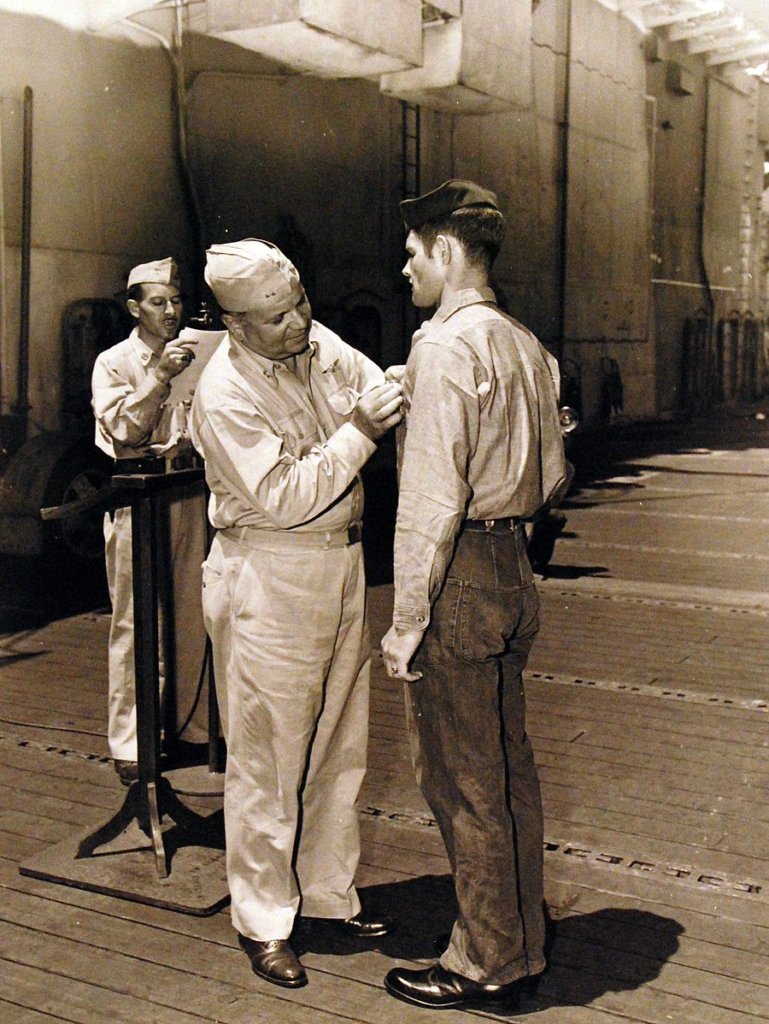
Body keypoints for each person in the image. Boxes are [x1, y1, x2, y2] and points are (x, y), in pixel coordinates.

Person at [189, 238, 402, 990]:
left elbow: (376, 384)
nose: (299, 324)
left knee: (338, 745)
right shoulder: (222, 391)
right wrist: (361, 430)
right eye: (277, 317)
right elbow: (282, 495)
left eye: (302, 302)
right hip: (269, 573)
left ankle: (324, 895)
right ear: (234, 323)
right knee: (268, 761)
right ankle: (264, 919)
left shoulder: (315, 341)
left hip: (340, 562)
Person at [381, 180, 568, 1013]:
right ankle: (517, 934)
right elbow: (556, 472)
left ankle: (486, 963)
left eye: (414, 251)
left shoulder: (443, 346)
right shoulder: (523, 343)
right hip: (512, 569)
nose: (404, 265)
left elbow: (427, 506)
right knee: (507, 775)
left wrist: (404, 625)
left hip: (457, 576)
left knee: (462, 784)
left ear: (447, 252)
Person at [91, 257, 209, 786]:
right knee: (135, 622)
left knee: (191, 612)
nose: (170, 311)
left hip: (185, 494)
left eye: (176, 301)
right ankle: (132, 742)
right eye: (158, 303)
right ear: (134, 308)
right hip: (136, 498)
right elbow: (124, 432)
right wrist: (161, 378)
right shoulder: (114, 363)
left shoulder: (195, 353)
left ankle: (190, 726)